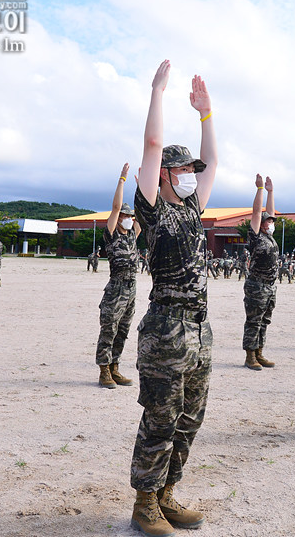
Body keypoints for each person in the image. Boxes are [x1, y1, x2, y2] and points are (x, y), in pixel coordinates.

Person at [129, 60, 216, 536]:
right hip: (166, 327)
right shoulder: (155, 209)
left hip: (199, 328)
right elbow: (152, 145)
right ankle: (144, 502)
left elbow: (214, 163)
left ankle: (166, 493)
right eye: (181, 170)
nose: (190, 175)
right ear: (164, 175)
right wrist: (157, 94)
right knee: (161, 417)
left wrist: (206, 115)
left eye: (191, 171)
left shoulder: (193, 208)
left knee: (190, 418)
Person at [96, 163, 141, 389]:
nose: (129, 219)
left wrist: (143, 186)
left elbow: (145, 213)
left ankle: (115, 367)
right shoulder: (112, 235)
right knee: (109, 329)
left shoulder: (133, 234)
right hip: (116, 289)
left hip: (132, 289)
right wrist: (122, 180)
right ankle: (104, 371)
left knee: (123, 330)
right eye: (126, 216)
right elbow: (114, 207)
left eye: (131, 216)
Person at [242, 174, 279, 371]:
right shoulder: (255, 237)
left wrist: (271, 191)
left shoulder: (270, 238)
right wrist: (260, 190)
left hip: (270, 286)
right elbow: (258, 212)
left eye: (272, 221)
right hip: (257, 285)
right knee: (254, 320)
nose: (271, 222)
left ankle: (259, 353)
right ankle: (250, 356)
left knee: (265, 320)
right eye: (268, 221)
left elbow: (269, 211)